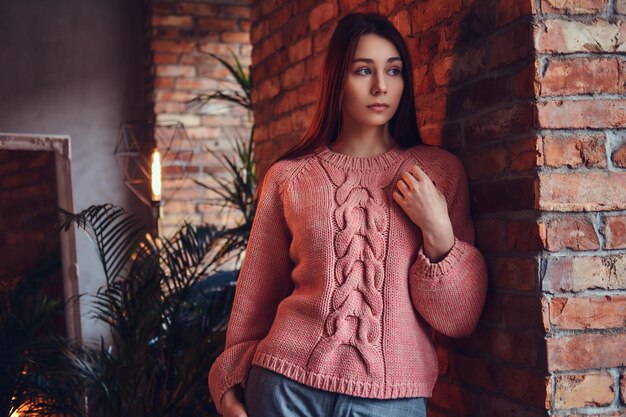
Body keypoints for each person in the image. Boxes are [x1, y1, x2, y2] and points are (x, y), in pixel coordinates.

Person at [208, 11, 488, 417]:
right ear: (338, 79)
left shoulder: (438, 174)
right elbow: (255, 300)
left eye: (393, 71)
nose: (381, 86)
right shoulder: (291, 177)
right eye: (363, 70)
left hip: (391, 400)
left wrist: (437, 228)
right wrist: (229, 383)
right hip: (286, 388)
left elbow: (459, 318)